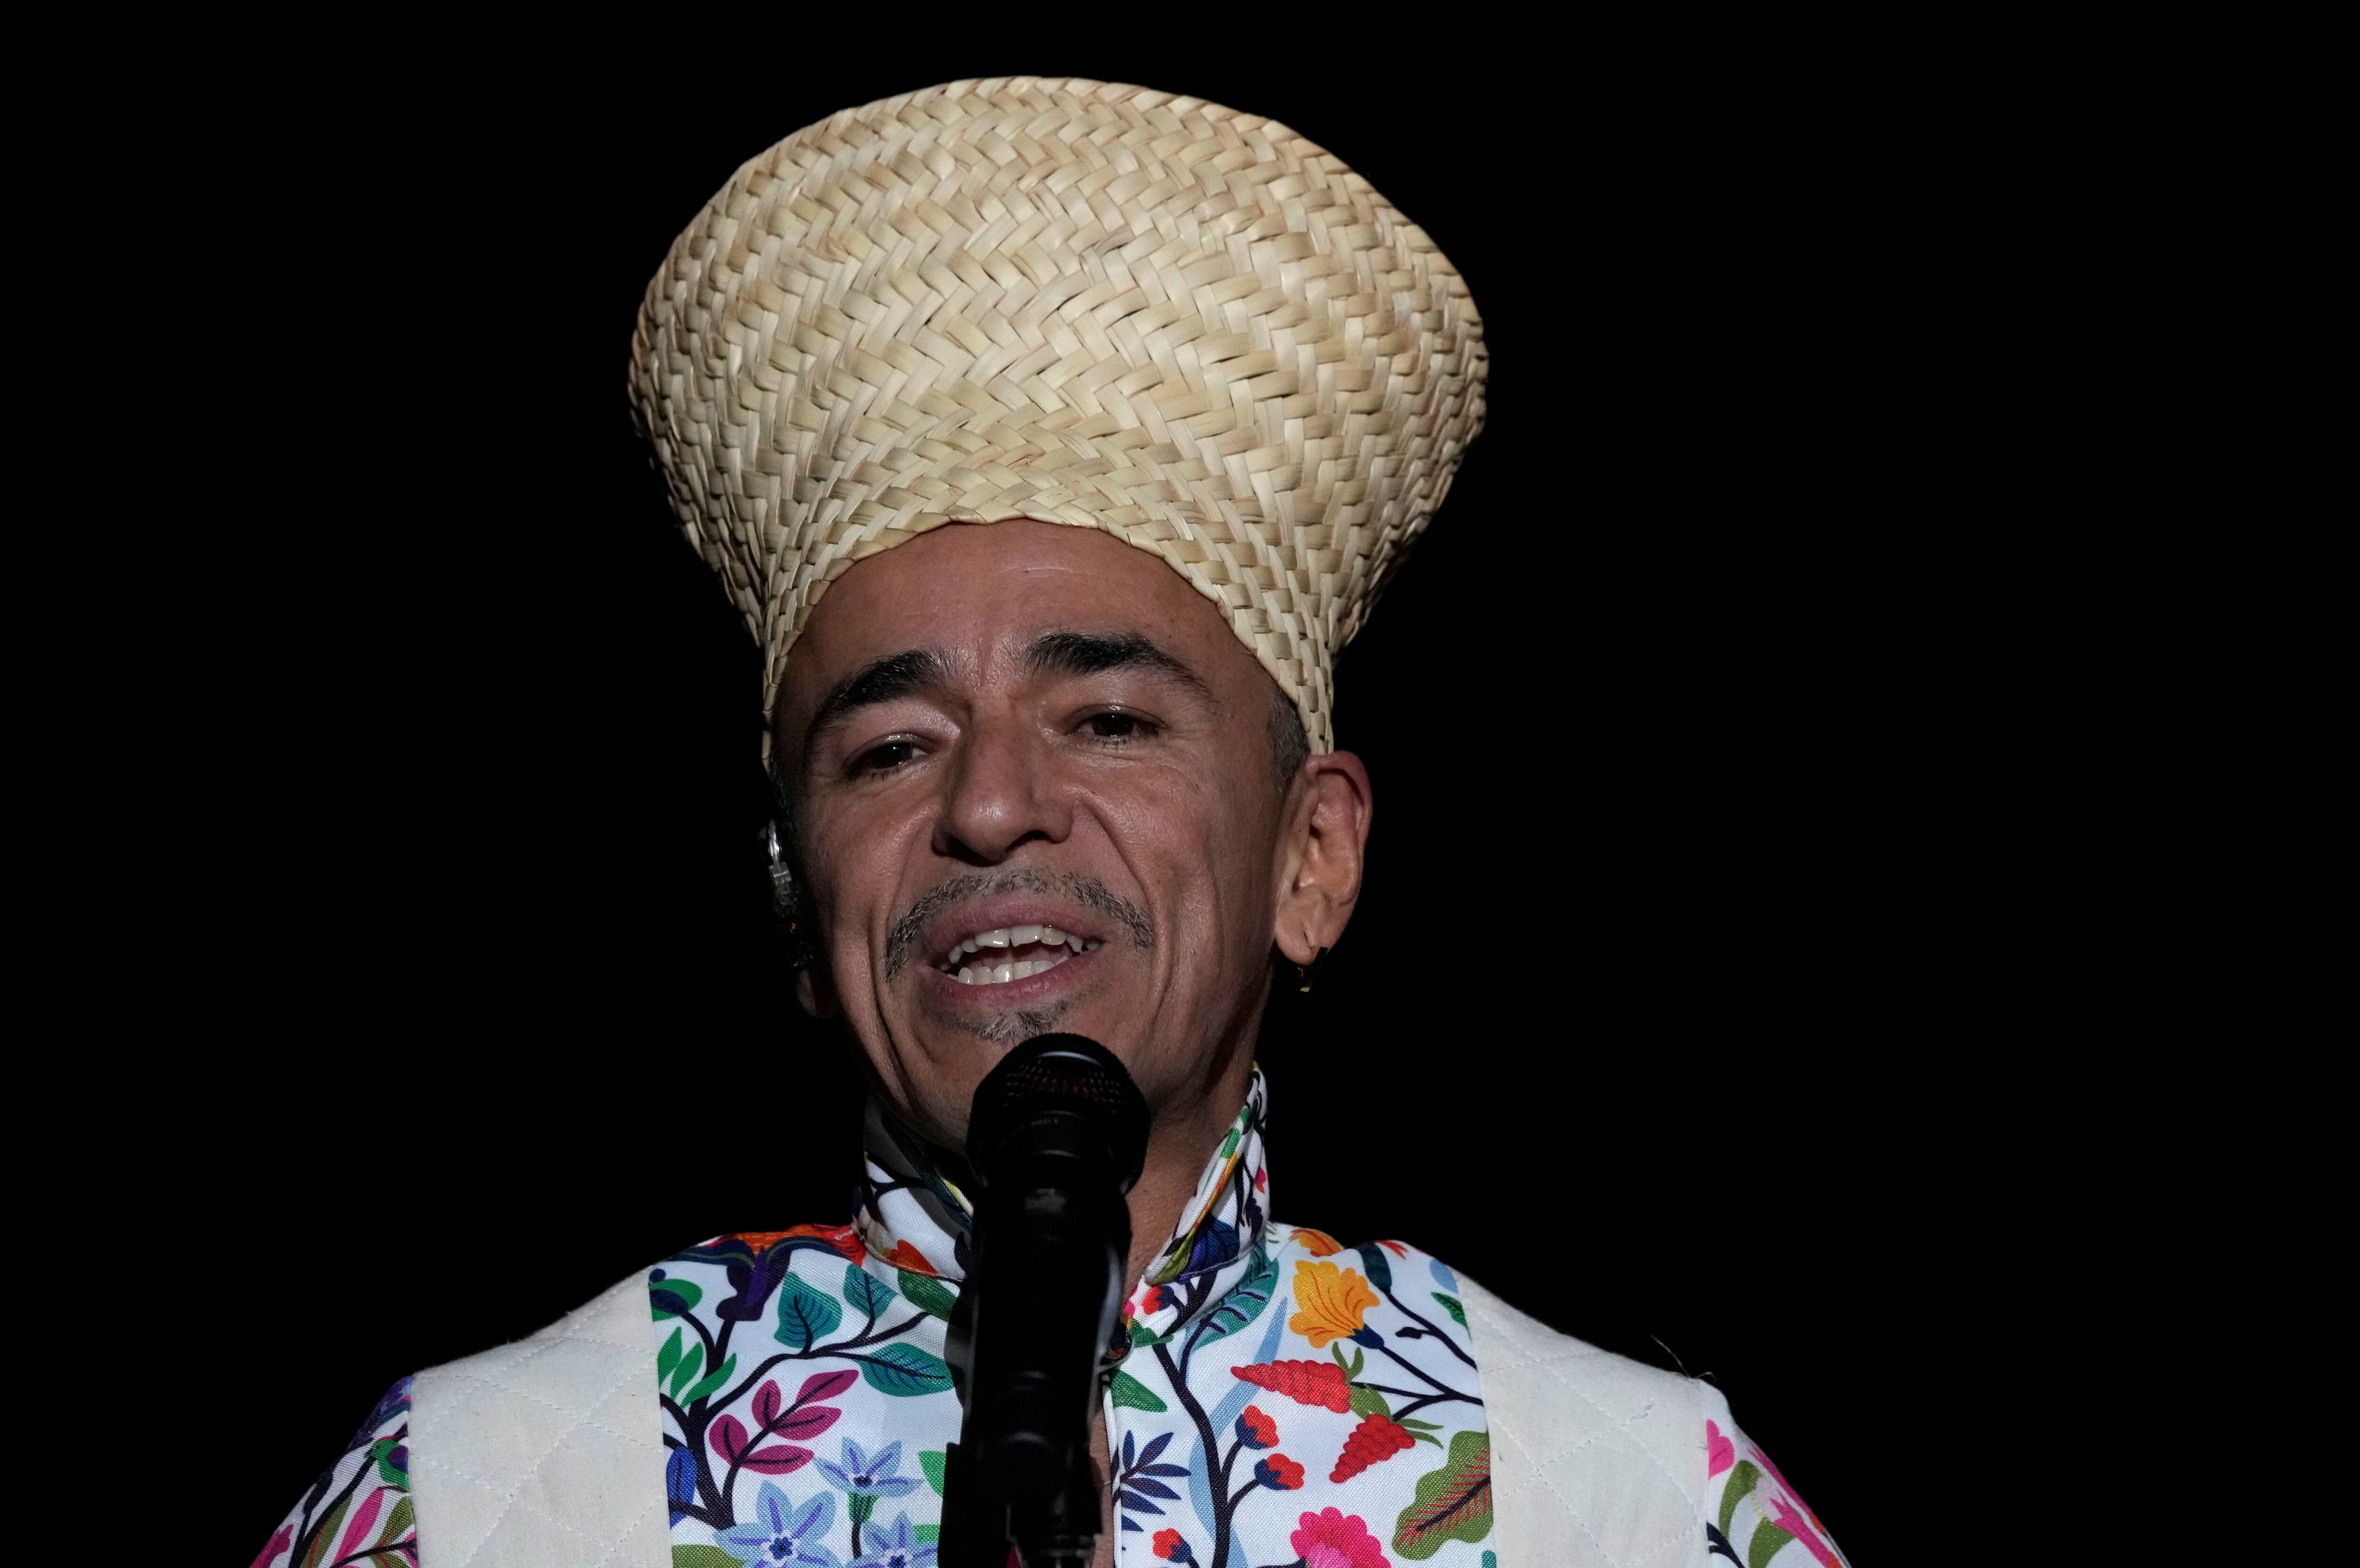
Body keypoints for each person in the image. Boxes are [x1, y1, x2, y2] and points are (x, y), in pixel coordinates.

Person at [256, 76, 1848, 1568]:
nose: (992, 804)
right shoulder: (492, 1492)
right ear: (796, 908)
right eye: (888, 747)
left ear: (1314, 854)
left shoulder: (1623, 1496)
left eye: (1107, 719)